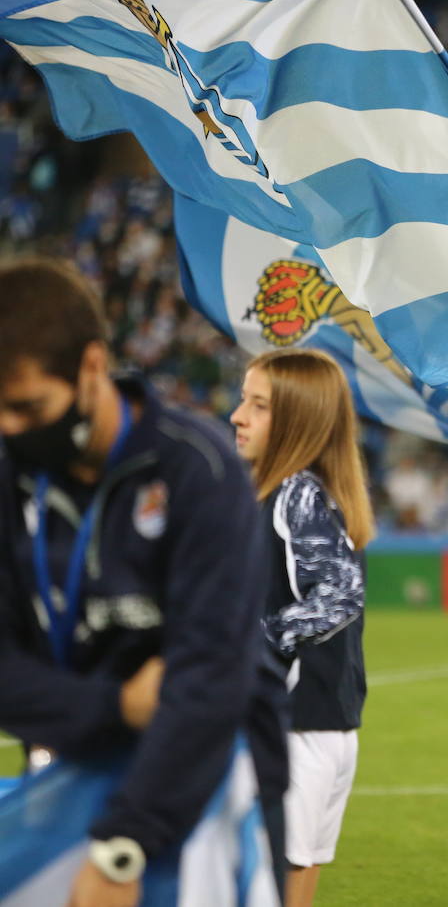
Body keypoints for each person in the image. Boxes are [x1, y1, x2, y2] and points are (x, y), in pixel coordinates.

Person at [0, 257, 288, 903]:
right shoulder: (9, 482)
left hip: (212, 782)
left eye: (27, 407)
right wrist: (116, 706)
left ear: (92, 367)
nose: (9, 428)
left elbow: (208, 683)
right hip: (71, 775)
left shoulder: (199, 471)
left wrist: (122, 847)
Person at [230, 348, 373, 907]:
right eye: (244, 400)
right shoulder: (300, 490)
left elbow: (340, 593)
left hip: (293, 730)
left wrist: (249, 646)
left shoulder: (297, 493)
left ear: (298, 419)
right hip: (319, 726)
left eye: (258, 405)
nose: (238, 415)